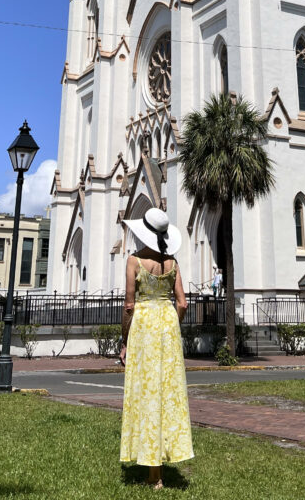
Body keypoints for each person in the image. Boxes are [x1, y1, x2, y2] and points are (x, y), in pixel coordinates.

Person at [120, 207, 193, 489]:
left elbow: (129, 305)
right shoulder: (172, 263)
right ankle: (161, 462)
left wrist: (125, 340)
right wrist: (173, 324)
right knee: (167, 393)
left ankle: (153, 473)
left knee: (146, 392)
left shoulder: (134, 261)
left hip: (144, 327)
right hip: (167, 327)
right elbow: (183, 303)